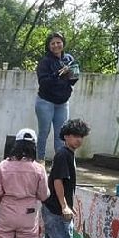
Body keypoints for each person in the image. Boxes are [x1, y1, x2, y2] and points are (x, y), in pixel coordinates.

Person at [38, 119, 90, 238]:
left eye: (81, 136)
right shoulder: (63, 155)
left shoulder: (66, 154)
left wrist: (66, 204)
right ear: (66, 136)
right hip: (56, 210)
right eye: (75, 135)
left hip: (52, 208)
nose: (79, 139)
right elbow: (57, 181)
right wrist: (64, 206)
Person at [33, 32, 79, 161]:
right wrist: (57, 74)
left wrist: (72, 74)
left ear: (63, 43)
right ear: (49, 46)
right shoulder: (45, 62)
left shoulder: (69, 58)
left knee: (61, 135)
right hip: (45, 102)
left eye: (58, 42)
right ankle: (39, 162)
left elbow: (73, 80)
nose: (56, 45)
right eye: (52, 43)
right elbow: (43, 82)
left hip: (62, 103)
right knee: (44, 132)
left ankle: (60, 163)